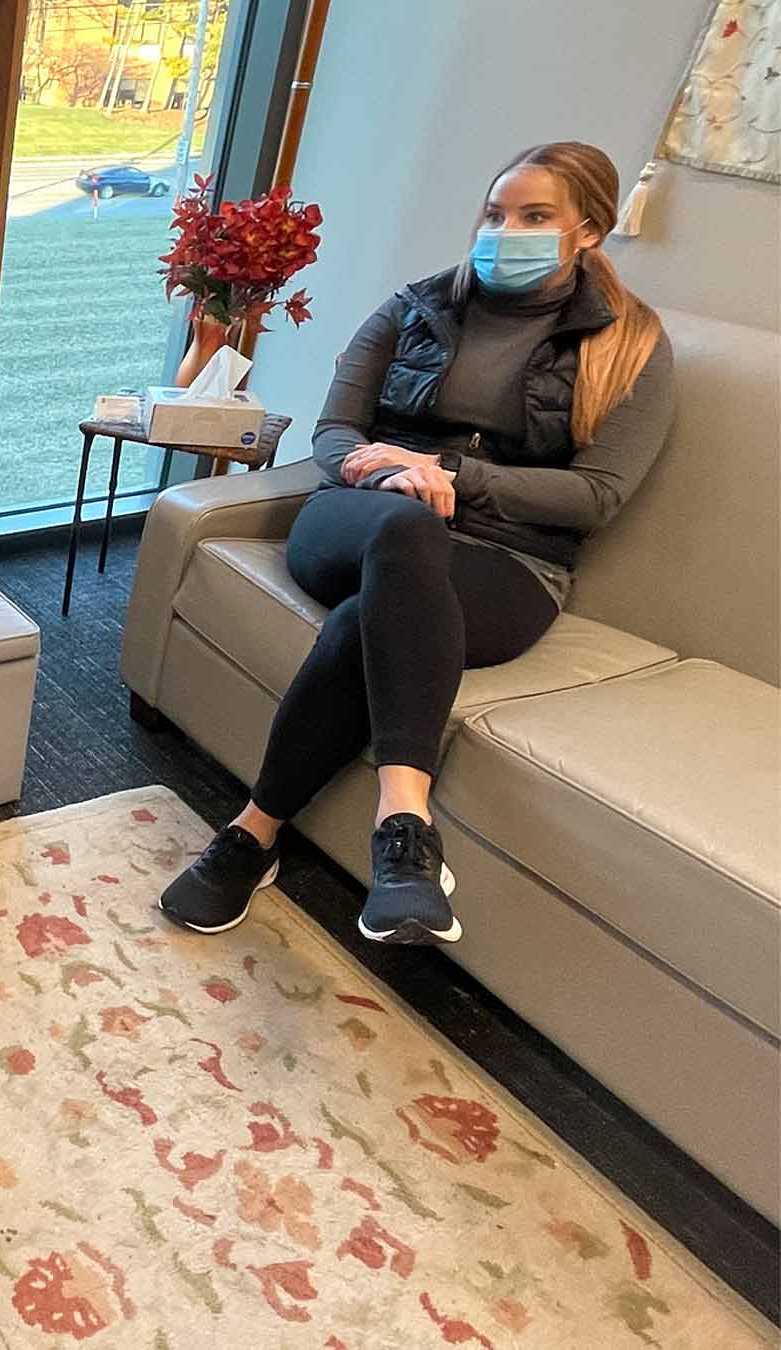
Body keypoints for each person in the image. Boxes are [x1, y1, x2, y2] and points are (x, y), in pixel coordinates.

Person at [160, 142, 673, 945]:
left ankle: (253, 835)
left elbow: (596, 497)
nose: (507, 230)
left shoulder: (631, 345)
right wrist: (387, 473)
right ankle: (405, 821)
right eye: (497, 213)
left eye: (536, 217)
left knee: (368, 619)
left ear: (590, 232)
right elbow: (335, 431)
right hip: (361, 517)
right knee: (405, 530)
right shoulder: (415, 306)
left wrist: (452, 475)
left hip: (508, 562)